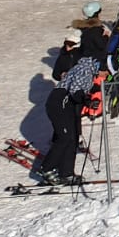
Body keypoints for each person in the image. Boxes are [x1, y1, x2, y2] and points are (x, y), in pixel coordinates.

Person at [41, 25, 104, 185]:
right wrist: (87, 100)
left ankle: (66, 173)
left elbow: (83, 90)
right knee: (64, 137)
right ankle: (46, 168)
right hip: (59, 103)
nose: (106, 75)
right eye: (106, 71)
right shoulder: (85, 69)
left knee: (72, 139)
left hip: (68, 105)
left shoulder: (89, 68)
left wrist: (89, 98)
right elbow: (75, 91)